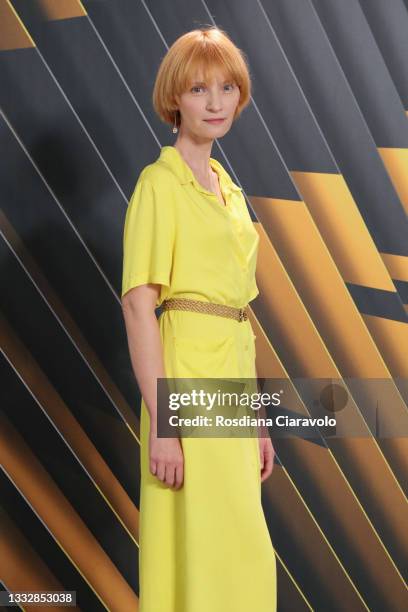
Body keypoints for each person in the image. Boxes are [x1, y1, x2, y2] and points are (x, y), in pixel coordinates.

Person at [121, 26, 277, 612]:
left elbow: (240, 317)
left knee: (239, 546)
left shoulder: (230, 193)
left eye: (227, 87)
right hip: (186, 383)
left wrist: (259, 420)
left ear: (239, 96)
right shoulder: (160, 184)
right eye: (198, 89)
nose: (215, 102)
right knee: (204, 544)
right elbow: (139, 304)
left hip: (232, 388)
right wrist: (163, 424)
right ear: (174, 99)